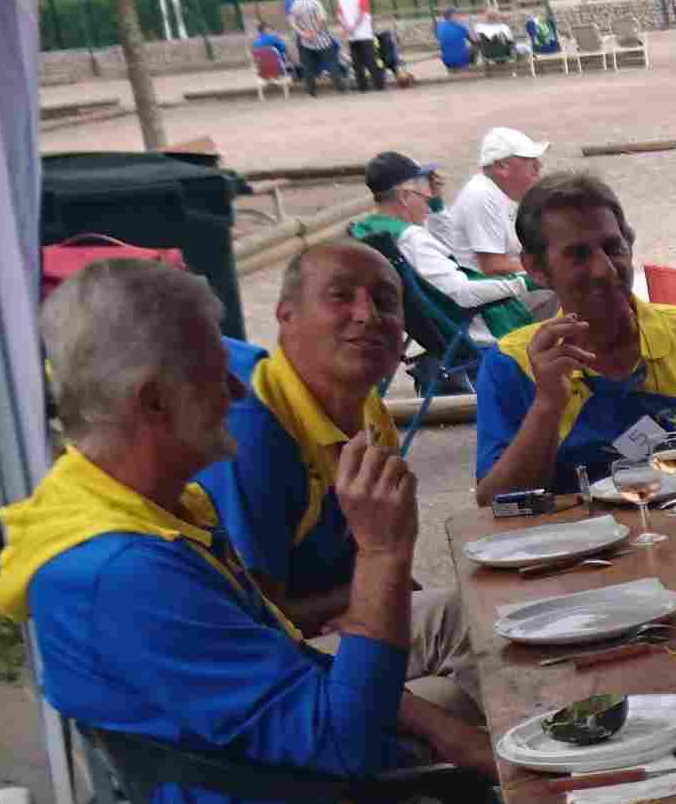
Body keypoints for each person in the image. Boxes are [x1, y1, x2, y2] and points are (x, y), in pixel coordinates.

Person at [0, 259, 498, 804]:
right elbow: (344, 744)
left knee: (497, 736)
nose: (236, 392)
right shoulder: (122, 574)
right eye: (212, 374)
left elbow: (289, 668)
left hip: (294, 792)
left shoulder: (126, 505)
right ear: (153, 402)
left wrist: (450, 735)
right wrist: (384, 553)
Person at [196, 239, 484, 720]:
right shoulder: (257, 432)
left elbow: (373, 555)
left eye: (385, 301)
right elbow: (261, 618)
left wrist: (380, 594)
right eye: (340, 296)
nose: (367, 315)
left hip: (332, 629)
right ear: (286, 315)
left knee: (474, 639)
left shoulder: (366, 406)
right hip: (266, 670)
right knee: (467, 630)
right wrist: (368, 595)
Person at [471, 172, 676, 501]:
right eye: (578, 255)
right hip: (586, 540)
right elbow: (495, 501)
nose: (604, 269)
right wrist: (547, 405)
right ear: (536, 269)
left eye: (613, 247)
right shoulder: (511, 363)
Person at [362, 150, 532, 340]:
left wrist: (436, 206)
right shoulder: (412, 240)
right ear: (404, 196)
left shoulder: (374, 231)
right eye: (426, 195)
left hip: (437, 329)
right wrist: (524, 282)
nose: (428, 202)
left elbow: (452, 249)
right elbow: (463, 293)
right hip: (478, 333)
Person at [441, 128, 545, 279]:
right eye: (530, 160)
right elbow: (494, 266)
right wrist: (550, 271)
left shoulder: (503, 192)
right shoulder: (481, 195)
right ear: (502, 167)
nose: (539, 166)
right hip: (484, 285)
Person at [284, 0, 345, 95]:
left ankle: (311, 90)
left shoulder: (295, 4)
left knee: (308, 67)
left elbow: (292, 22)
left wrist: (303, 33)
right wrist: (315, 32)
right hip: (322, 39)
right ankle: (339, 87)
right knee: (332, 63)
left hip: (305, 40)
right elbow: (322, 20)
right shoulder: (315, 3)